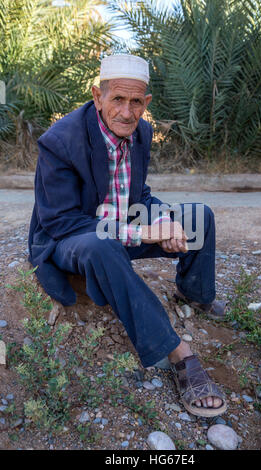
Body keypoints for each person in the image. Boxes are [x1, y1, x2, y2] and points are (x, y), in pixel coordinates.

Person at [28, 54, 227, 417]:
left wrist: (167, 221)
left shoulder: (142, 133)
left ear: (146, 104)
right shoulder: (60, 141)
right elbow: (62, 222)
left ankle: (195, 294)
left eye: (136, 101)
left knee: (199, 217)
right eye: (117, 99)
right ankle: (178, 354)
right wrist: (146, 231)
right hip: (72, 239)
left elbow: (139, 196)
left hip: (123, 227)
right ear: (97, 96)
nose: (126, 111)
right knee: (103, 247)